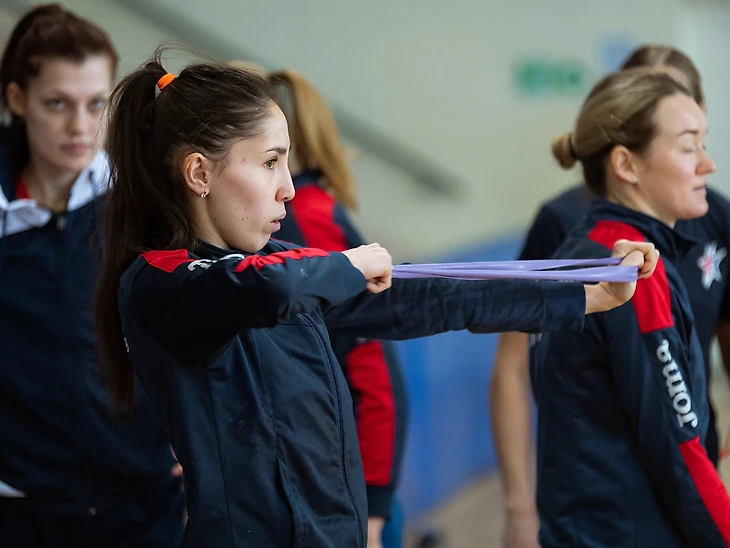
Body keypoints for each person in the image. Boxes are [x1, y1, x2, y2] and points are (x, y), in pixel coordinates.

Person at [94, 49, 658, 548]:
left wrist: (581, 295)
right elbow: (260, 288)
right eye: (269, 162)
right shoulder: (161, 281)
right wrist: (341, 264)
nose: (289, 186)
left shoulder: (280, 265)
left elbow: (433, 301)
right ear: (198, 173)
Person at [489, 44, 730, 548]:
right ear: (626, 162)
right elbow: (678, 446)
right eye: (688, 147)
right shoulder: (625, 268)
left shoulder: (604, 250)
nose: (707, 163)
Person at [0, 4, 185, 548]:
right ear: (17, 100)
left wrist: (191, 428)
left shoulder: (146, 202)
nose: (79, 126)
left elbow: (196, 316)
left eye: (95, 103)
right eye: (57, 104)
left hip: (142, 501)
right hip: (21, 508)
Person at [268, 67, 408, 548]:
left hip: (351, 487)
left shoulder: (305, 215)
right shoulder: (309, 207)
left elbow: (370, 365)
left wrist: (373, 503)